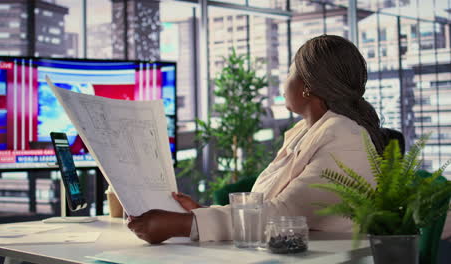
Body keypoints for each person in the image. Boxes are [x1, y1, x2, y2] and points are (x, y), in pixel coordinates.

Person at [127, 35, 385, 244]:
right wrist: (201, 212)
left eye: (289, 72)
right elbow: (263, 205)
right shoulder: (305, 132)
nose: (283, 83)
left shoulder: (346, 138)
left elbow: (281, 214)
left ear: (307, 86)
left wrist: (182, 225)